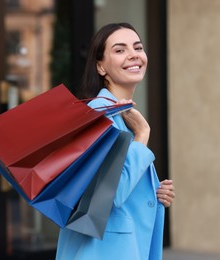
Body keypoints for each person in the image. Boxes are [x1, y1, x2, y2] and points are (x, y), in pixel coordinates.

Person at [55, 22, 175, 260]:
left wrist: (153, 192)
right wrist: (142, 134)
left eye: (137, 47)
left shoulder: (118, 115)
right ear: (101, 67)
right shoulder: (99, 114)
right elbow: (111, 193)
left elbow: (116, 182)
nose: (133, 55)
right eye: (120, 50)